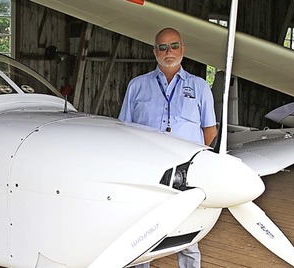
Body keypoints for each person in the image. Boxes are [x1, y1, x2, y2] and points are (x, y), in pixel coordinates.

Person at [118, 28, 218, 268]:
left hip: (186, 173)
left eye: (174, 46)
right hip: (147, 173)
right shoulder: (137, 86)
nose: (168, 52)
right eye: (162, 47)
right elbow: (124, 131)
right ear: (155, 52)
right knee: (141, 233)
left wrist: (192, 163)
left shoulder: (200, 86)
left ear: (183, 49)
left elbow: (210, 130)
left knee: (188, 234)